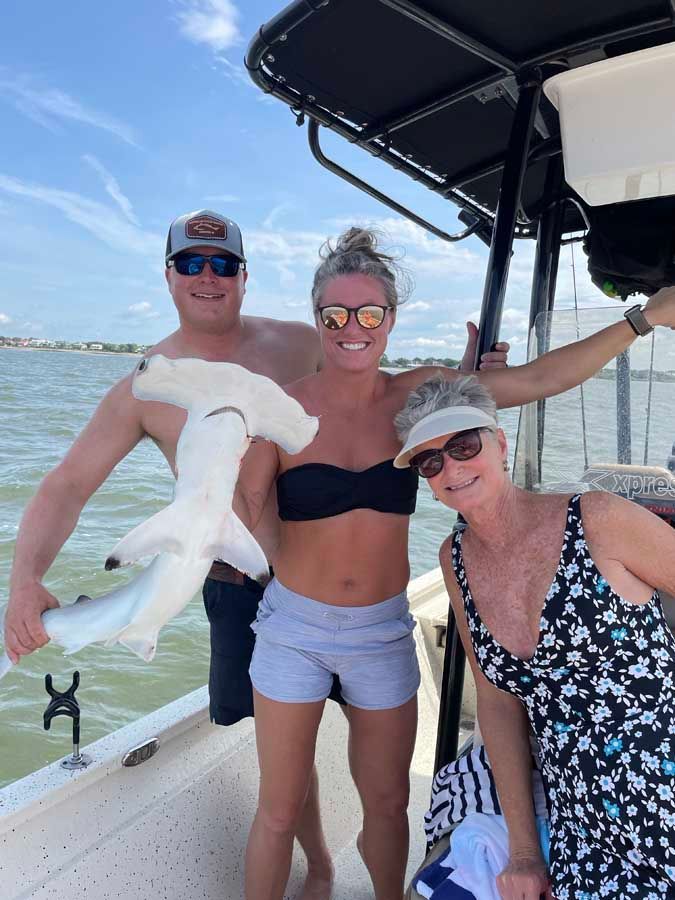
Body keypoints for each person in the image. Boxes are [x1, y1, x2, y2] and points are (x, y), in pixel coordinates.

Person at [2, 209, 504, 900]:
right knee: (284, 778)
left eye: (222, 263)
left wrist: (464, 383)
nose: (207, 277)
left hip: (350, 596)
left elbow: (366, 374)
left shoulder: (301, 342)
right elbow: (66, 486)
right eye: (190, 263)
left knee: (376, 781)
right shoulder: (144, 385)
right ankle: (320, 866)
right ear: (169, 274)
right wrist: (25, 579)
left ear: (243, 276)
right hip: (241, 590)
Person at [233, 225, 675, 900]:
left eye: (370, 313)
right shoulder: (279, 410)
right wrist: (281, 565)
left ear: (389, 320)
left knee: (385, 805)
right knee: (277, 808)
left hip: (379, 629)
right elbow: (245, 499)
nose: (353, 328)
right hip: (294, 626)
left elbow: (540, 377)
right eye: (336, 315)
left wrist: (644, 317)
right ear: (317, 317)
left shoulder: (417, 401)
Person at [393, 374, 675, 899]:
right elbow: (498, 702)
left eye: (463, 445)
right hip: (581, 819)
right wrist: (524, 853)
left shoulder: (598, 519)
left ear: (499, 443)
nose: (450, 467)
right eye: (429, 462)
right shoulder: (455, 561)